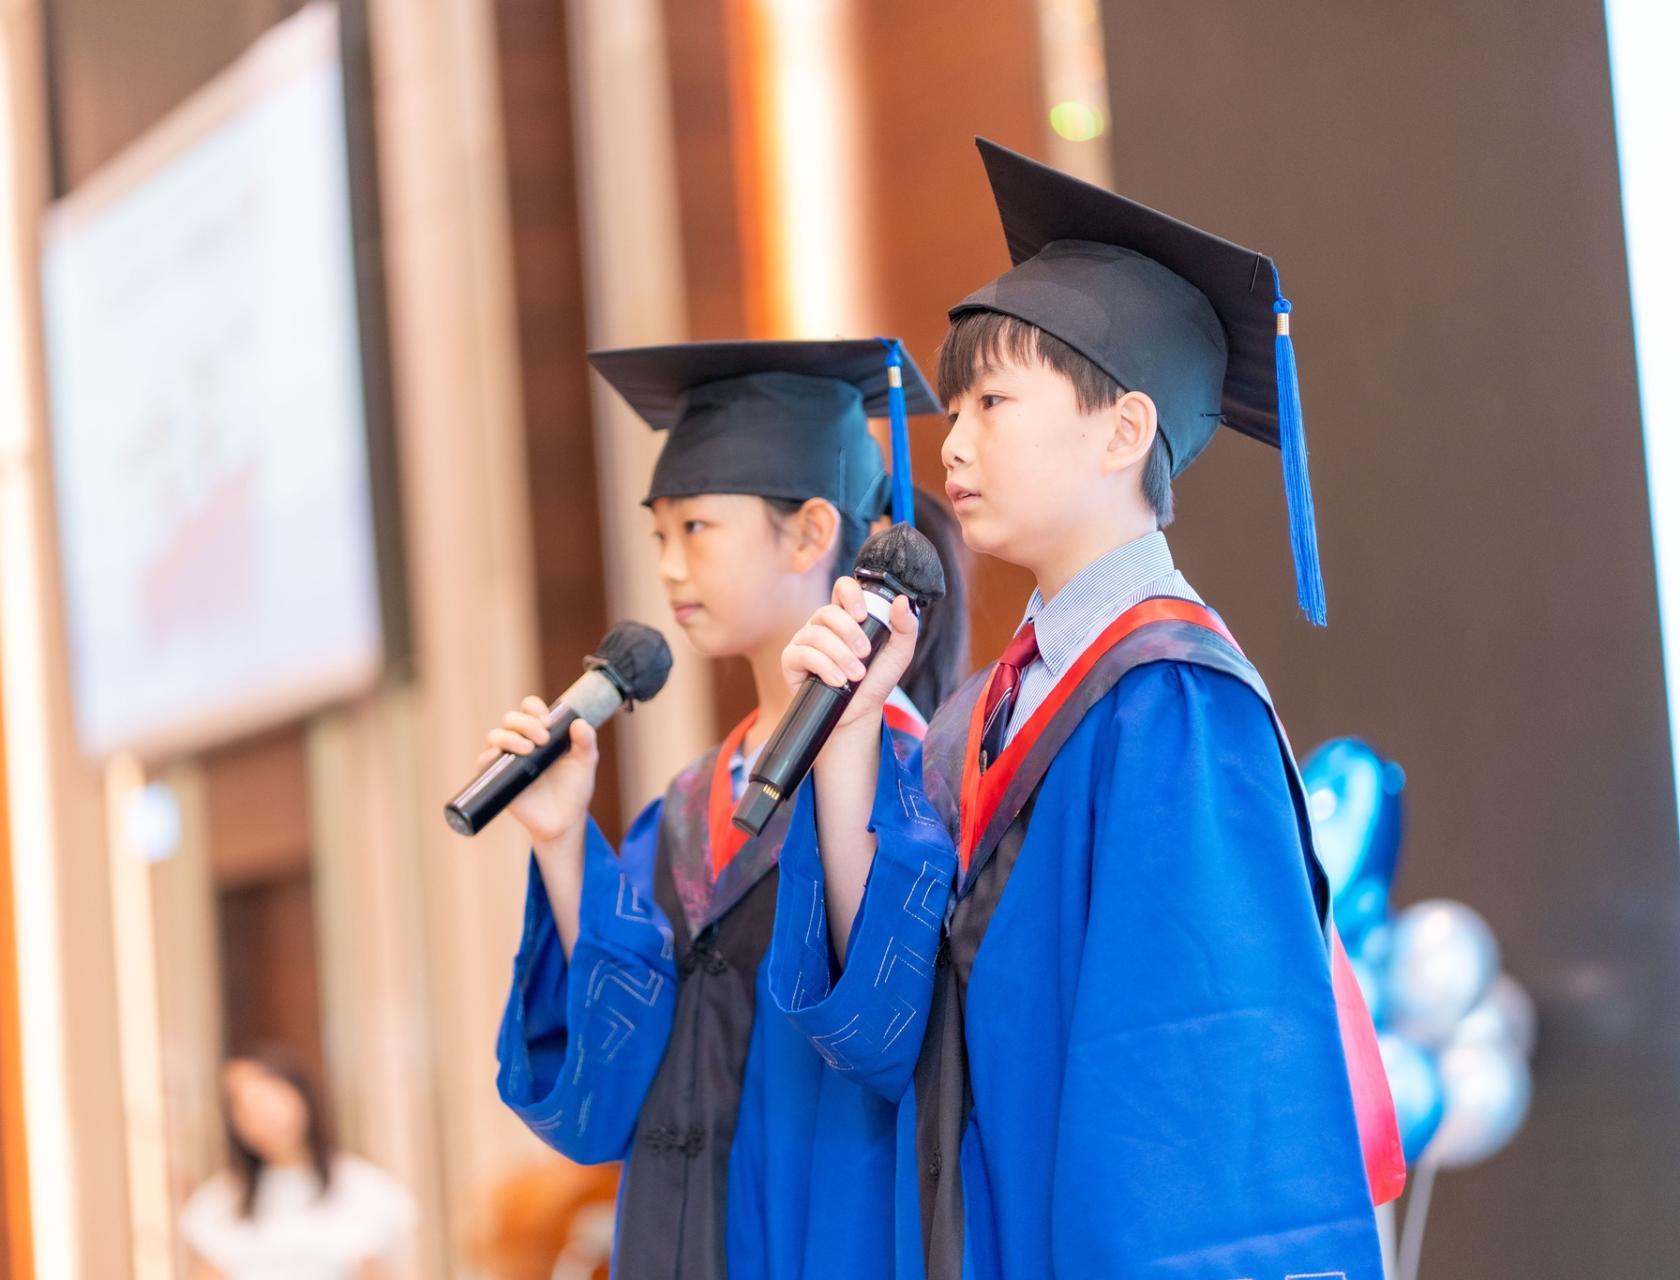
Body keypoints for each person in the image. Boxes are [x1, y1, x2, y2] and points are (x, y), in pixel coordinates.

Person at [769, 140, 1400, 1279]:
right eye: (956, 405)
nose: (954, 441)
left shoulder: (1173, 704)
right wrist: (850, 740)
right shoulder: (984, 715)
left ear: (1123, 432)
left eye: (994, 401)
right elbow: (885, 1028)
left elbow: (1191, 1104)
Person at [487, 338, 970, 1280]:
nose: (669, 567)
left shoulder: (919, 779)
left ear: (810, 532)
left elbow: (892, 1036)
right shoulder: (686, 804)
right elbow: (604, 1098)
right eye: (658, 535)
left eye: (697, 528)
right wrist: (560, 841)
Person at [181, 1049, 417, 1280]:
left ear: (301, 1097)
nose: (263, 1115)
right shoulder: (218, 1203)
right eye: (245, 1106)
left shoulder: (367, 1190)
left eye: (269, 1098)